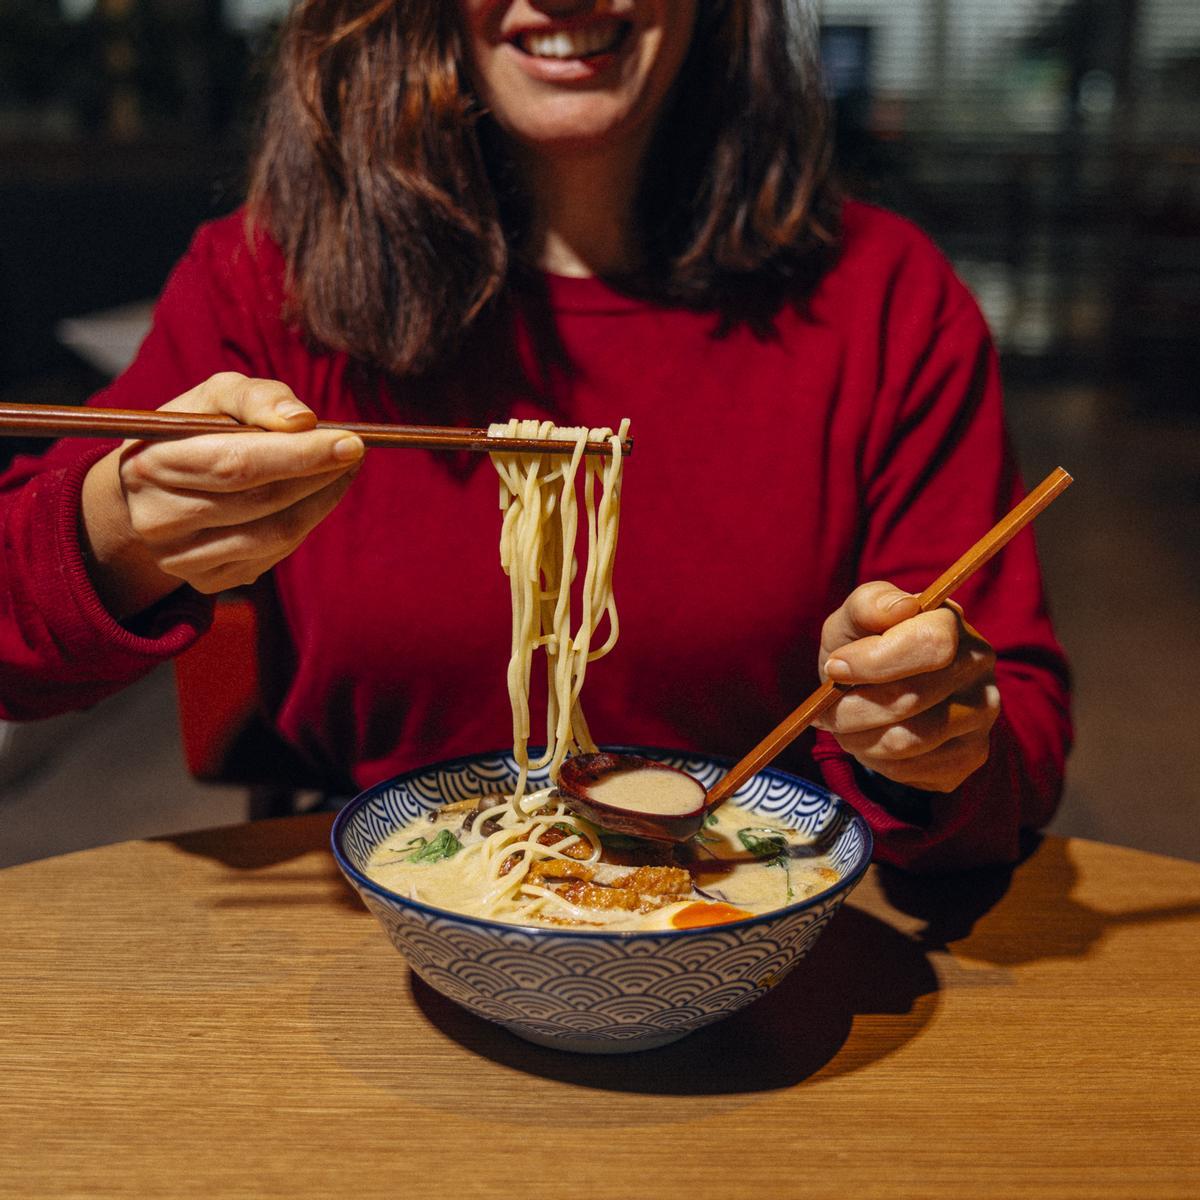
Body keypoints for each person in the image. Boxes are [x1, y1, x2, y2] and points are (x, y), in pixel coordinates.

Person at [0, 0, 1070, 872]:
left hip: (750, 905)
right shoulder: (269, 281)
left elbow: (1013, 731)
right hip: (384, 912)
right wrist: (119, 528)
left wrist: (929, 737)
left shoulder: (883, 297)